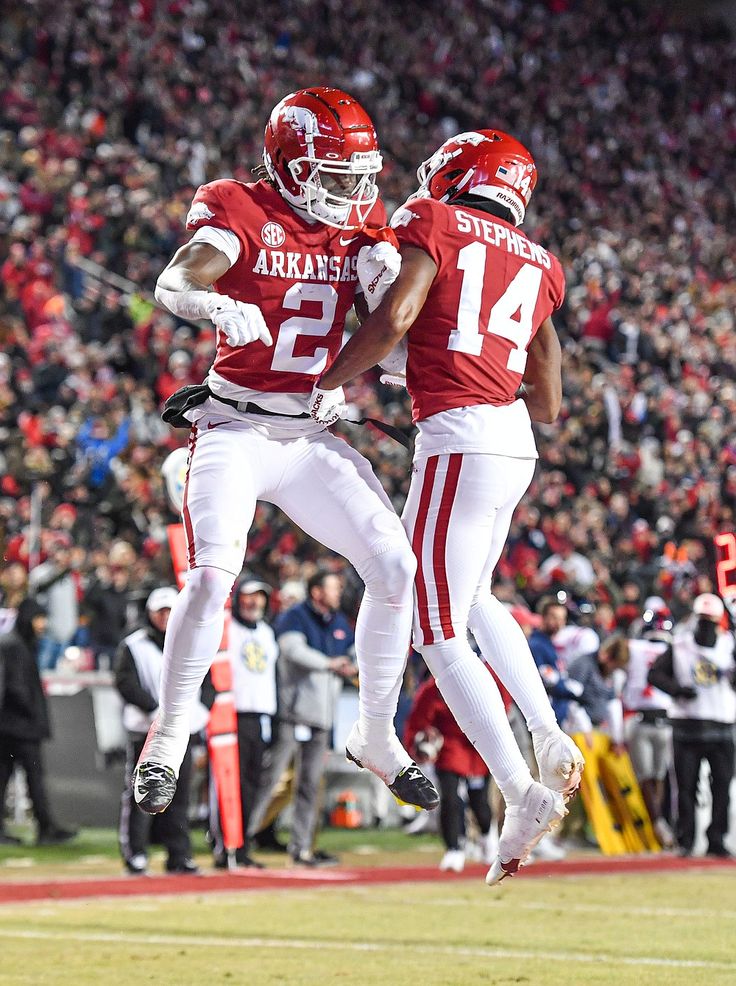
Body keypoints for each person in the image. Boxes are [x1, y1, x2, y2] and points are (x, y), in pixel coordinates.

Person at [134, 86, 437, 818]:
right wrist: (211, 302)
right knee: (210, 578)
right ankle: (169, 733)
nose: (351, 191)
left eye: (357, 175)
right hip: (235, 428)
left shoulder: (362, 224)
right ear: (288, 164)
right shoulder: (239, 207)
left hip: (309, 434)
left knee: (397, 565)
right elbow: (176, 277)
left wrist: (363, 374)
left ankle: (374, 733)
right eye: (333, 175)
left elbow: (386, 327)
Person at [310, 129, 583, 883]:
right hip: (514, 440)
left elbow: (397, 317)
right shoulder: (541, 262)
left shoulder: (432, 218)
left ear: (459, 171)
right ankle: (547, 730)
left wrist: (330, 381)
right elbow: (552, 400)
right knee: (471, 599)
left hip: (459, 436)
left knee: (433, 625)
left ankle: (515, 787)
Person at [246, 570, 356, 866]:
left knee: (310, 785)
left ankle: (302, 847)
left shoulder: (338, 621)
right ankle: (239, 842)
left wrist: (354, 662)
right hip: (292, 714)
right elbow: (292, 651)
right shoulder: (295, 616)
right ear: (316, 592)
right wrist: (330, 664)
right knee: (270, 780)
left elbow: (352, 649)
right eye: (333, 587)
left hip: (322, 716)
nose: (337, 593)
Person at [115, 586, 208, 874]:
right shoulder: (134, 645)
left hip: (182, 730)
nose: (166, 617)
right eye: (161, 612)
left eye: (171, 611)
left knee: (179, 793)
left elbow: (211, 680)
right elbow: (125, 682)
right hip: (146, 729)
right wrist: (153, 708)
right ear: (150, 613)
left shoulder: (194, 640)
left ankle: (178, 854)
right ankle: (136, 853)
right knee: (141, 791)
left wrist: (201, 709)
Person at [648, 593, 736, 858]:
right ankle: (686, 840)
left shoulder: (729, 645)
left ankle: (716, 839)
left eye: (710, 620)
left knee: (722, 786)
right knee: (685, 788)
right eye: (703, 620)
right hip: (687, 725)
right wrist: (677, 690)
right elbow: (655, 674)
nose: (706, 626)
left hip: (721, 723)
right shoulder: (680, 645)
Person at [209, 576, 278, 868]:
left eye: (260, 597)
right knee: (227, 782)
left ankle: (242, 844)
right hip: (230, 714)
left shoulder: (266, 632)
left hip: (259, 715)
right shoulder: (226, 628)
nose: (254, 603)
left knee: (250, 785)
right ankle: (223, 845)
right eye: (249, 597)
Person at [0, 598, 77, 845]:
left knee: (9, 778)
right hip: (19, 727)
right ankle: (46, 828)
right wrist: (32, 713)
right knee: (33, 778)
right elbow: (14, 687)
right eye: (38, 618)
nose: (42, 625)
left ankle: (45, 827)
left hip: (14, 726)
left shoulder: (19, 644)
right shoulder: (15, 646)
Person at [405, 674, 494, 873]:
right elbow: (417, 721)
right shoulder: (432, 689)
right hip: (450, 747)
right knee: (450, 799)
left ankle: (487, 838)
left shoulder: (480, 680)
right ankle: (453, 848)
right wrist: (420, 743)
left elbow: (499, 709)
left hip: (479, 745)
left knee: (480, 802)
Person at [622, 603, 675, 847]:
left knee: (648, 778)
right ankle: (659, 825)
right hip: (664, 719)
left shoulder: (633, 646)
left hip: (639, 717)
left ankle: (657, 825)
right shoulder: (675, 648)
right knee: (658, 776)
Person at [528, 597, 584, 727]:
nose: (558, 623)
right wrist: (569, 689)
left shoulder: (550, 644)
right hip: (543, 717)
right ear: (543, 617)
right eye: (554, 617)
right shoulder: (537, 645)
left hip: (555, 717)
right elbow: (547, 678)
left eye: (561, 618)